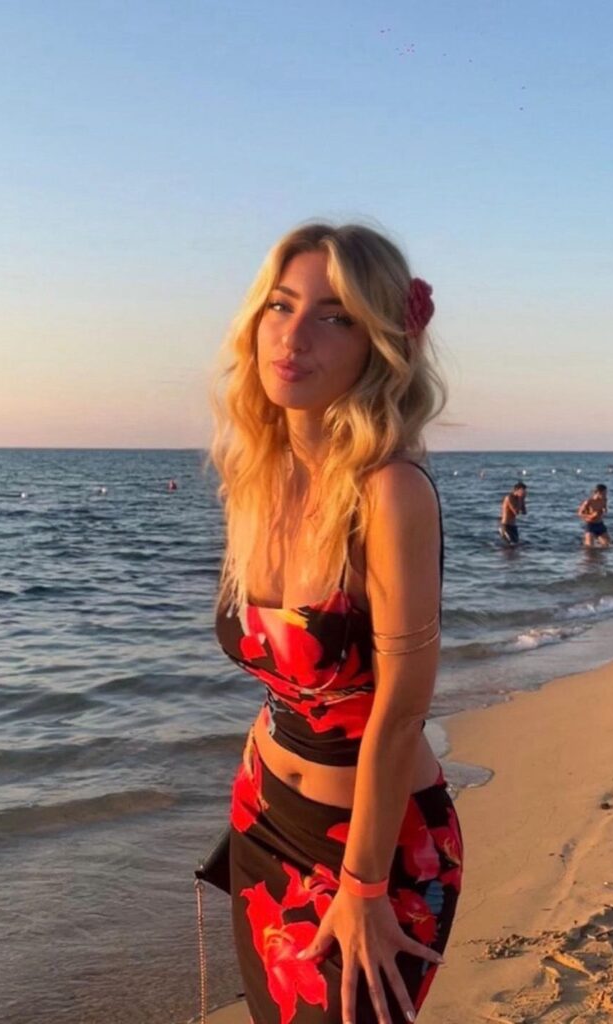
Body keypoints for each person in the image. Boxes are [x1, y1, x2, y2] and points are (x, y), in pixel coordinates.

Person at [209, 223, 463, 1023]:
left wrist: (363, 886)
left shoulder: (390, 493)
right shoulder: (257, 475)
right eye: (281, 306)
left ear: (379, 343)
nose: (294, 336)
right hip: (263, 819)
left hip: (373, 848)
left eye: (335, 317)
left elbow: (402, 709)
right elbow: (284, 679)